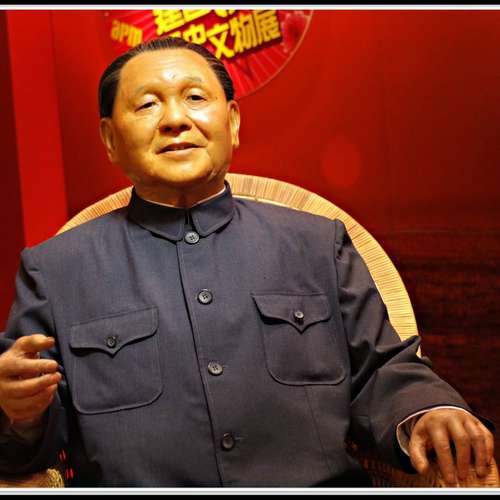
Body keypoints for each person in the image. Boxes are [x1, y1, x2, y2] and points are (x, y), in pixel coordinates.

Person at [0, 36, 494, 488]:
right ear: (110, 138)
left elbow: (382, 370)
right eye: (147, 104)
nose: (175, 119)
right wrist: (17, 414)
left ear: (232, 122)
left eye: (195, 97)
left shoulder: (317, 244)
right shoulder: (55, 271)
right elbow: (26, 442)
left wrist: (429, 410)